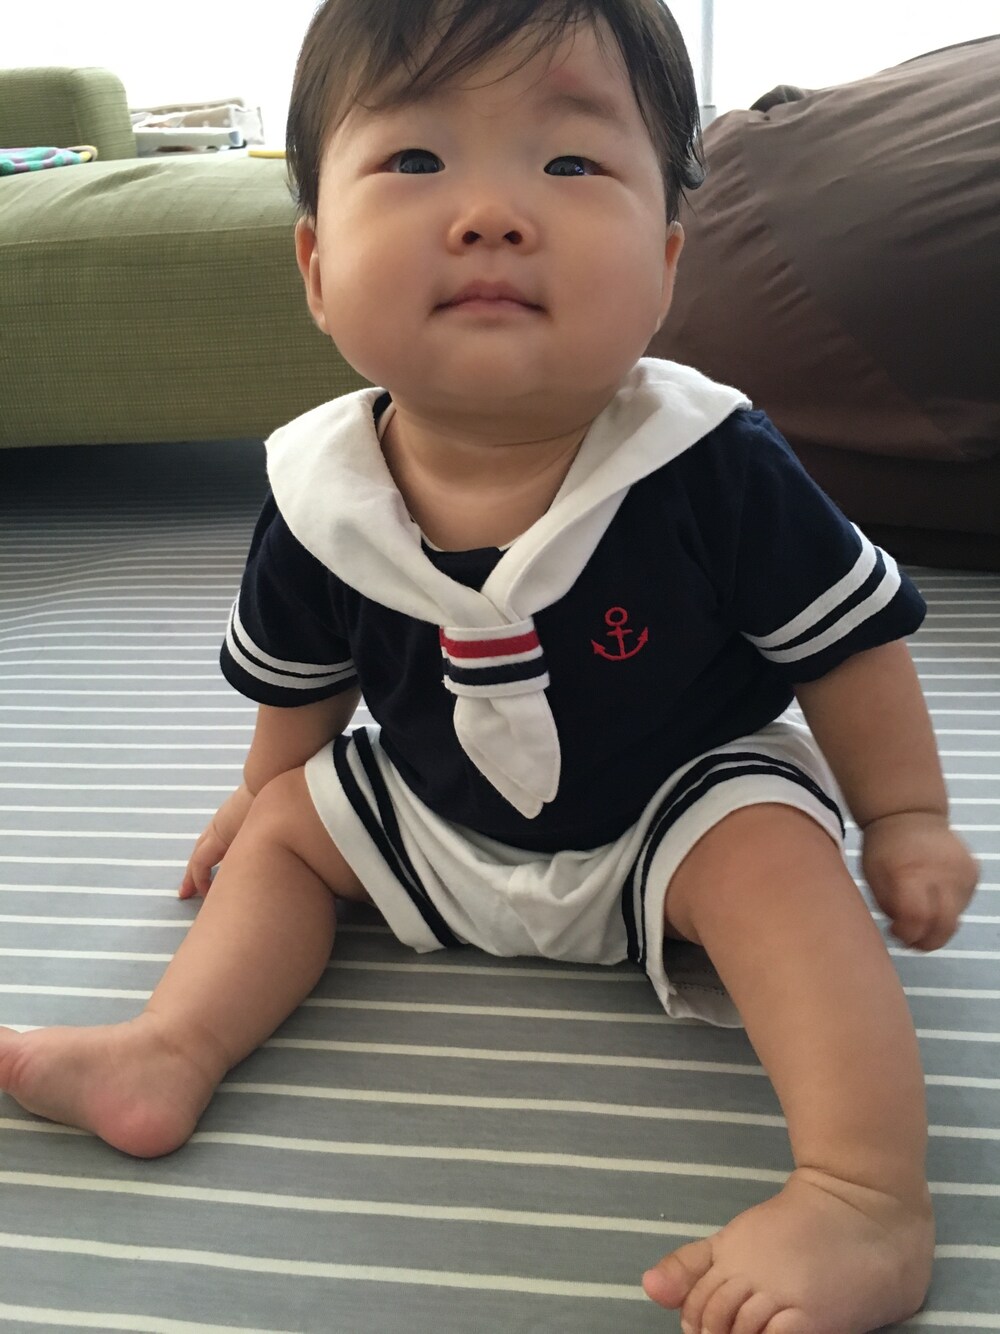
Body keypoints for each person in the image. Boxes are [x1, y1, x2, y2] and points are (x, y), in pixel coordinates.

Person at [0, 2, 980, 1329]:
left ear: (668, 263)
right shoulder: (317, 492)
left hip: (672, 814)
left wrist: (905, 814)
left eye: (570, 162)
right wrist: (259, 793)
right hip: (434, 809)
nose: (491, 216)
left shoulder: (713, 463)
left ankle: (863, 1193)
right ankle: (169, 1048)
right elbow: (302, 683)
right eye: (415, 160)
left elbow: (848, 646)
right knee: (287, 831)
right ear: (315, 267)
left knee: (780, 863)